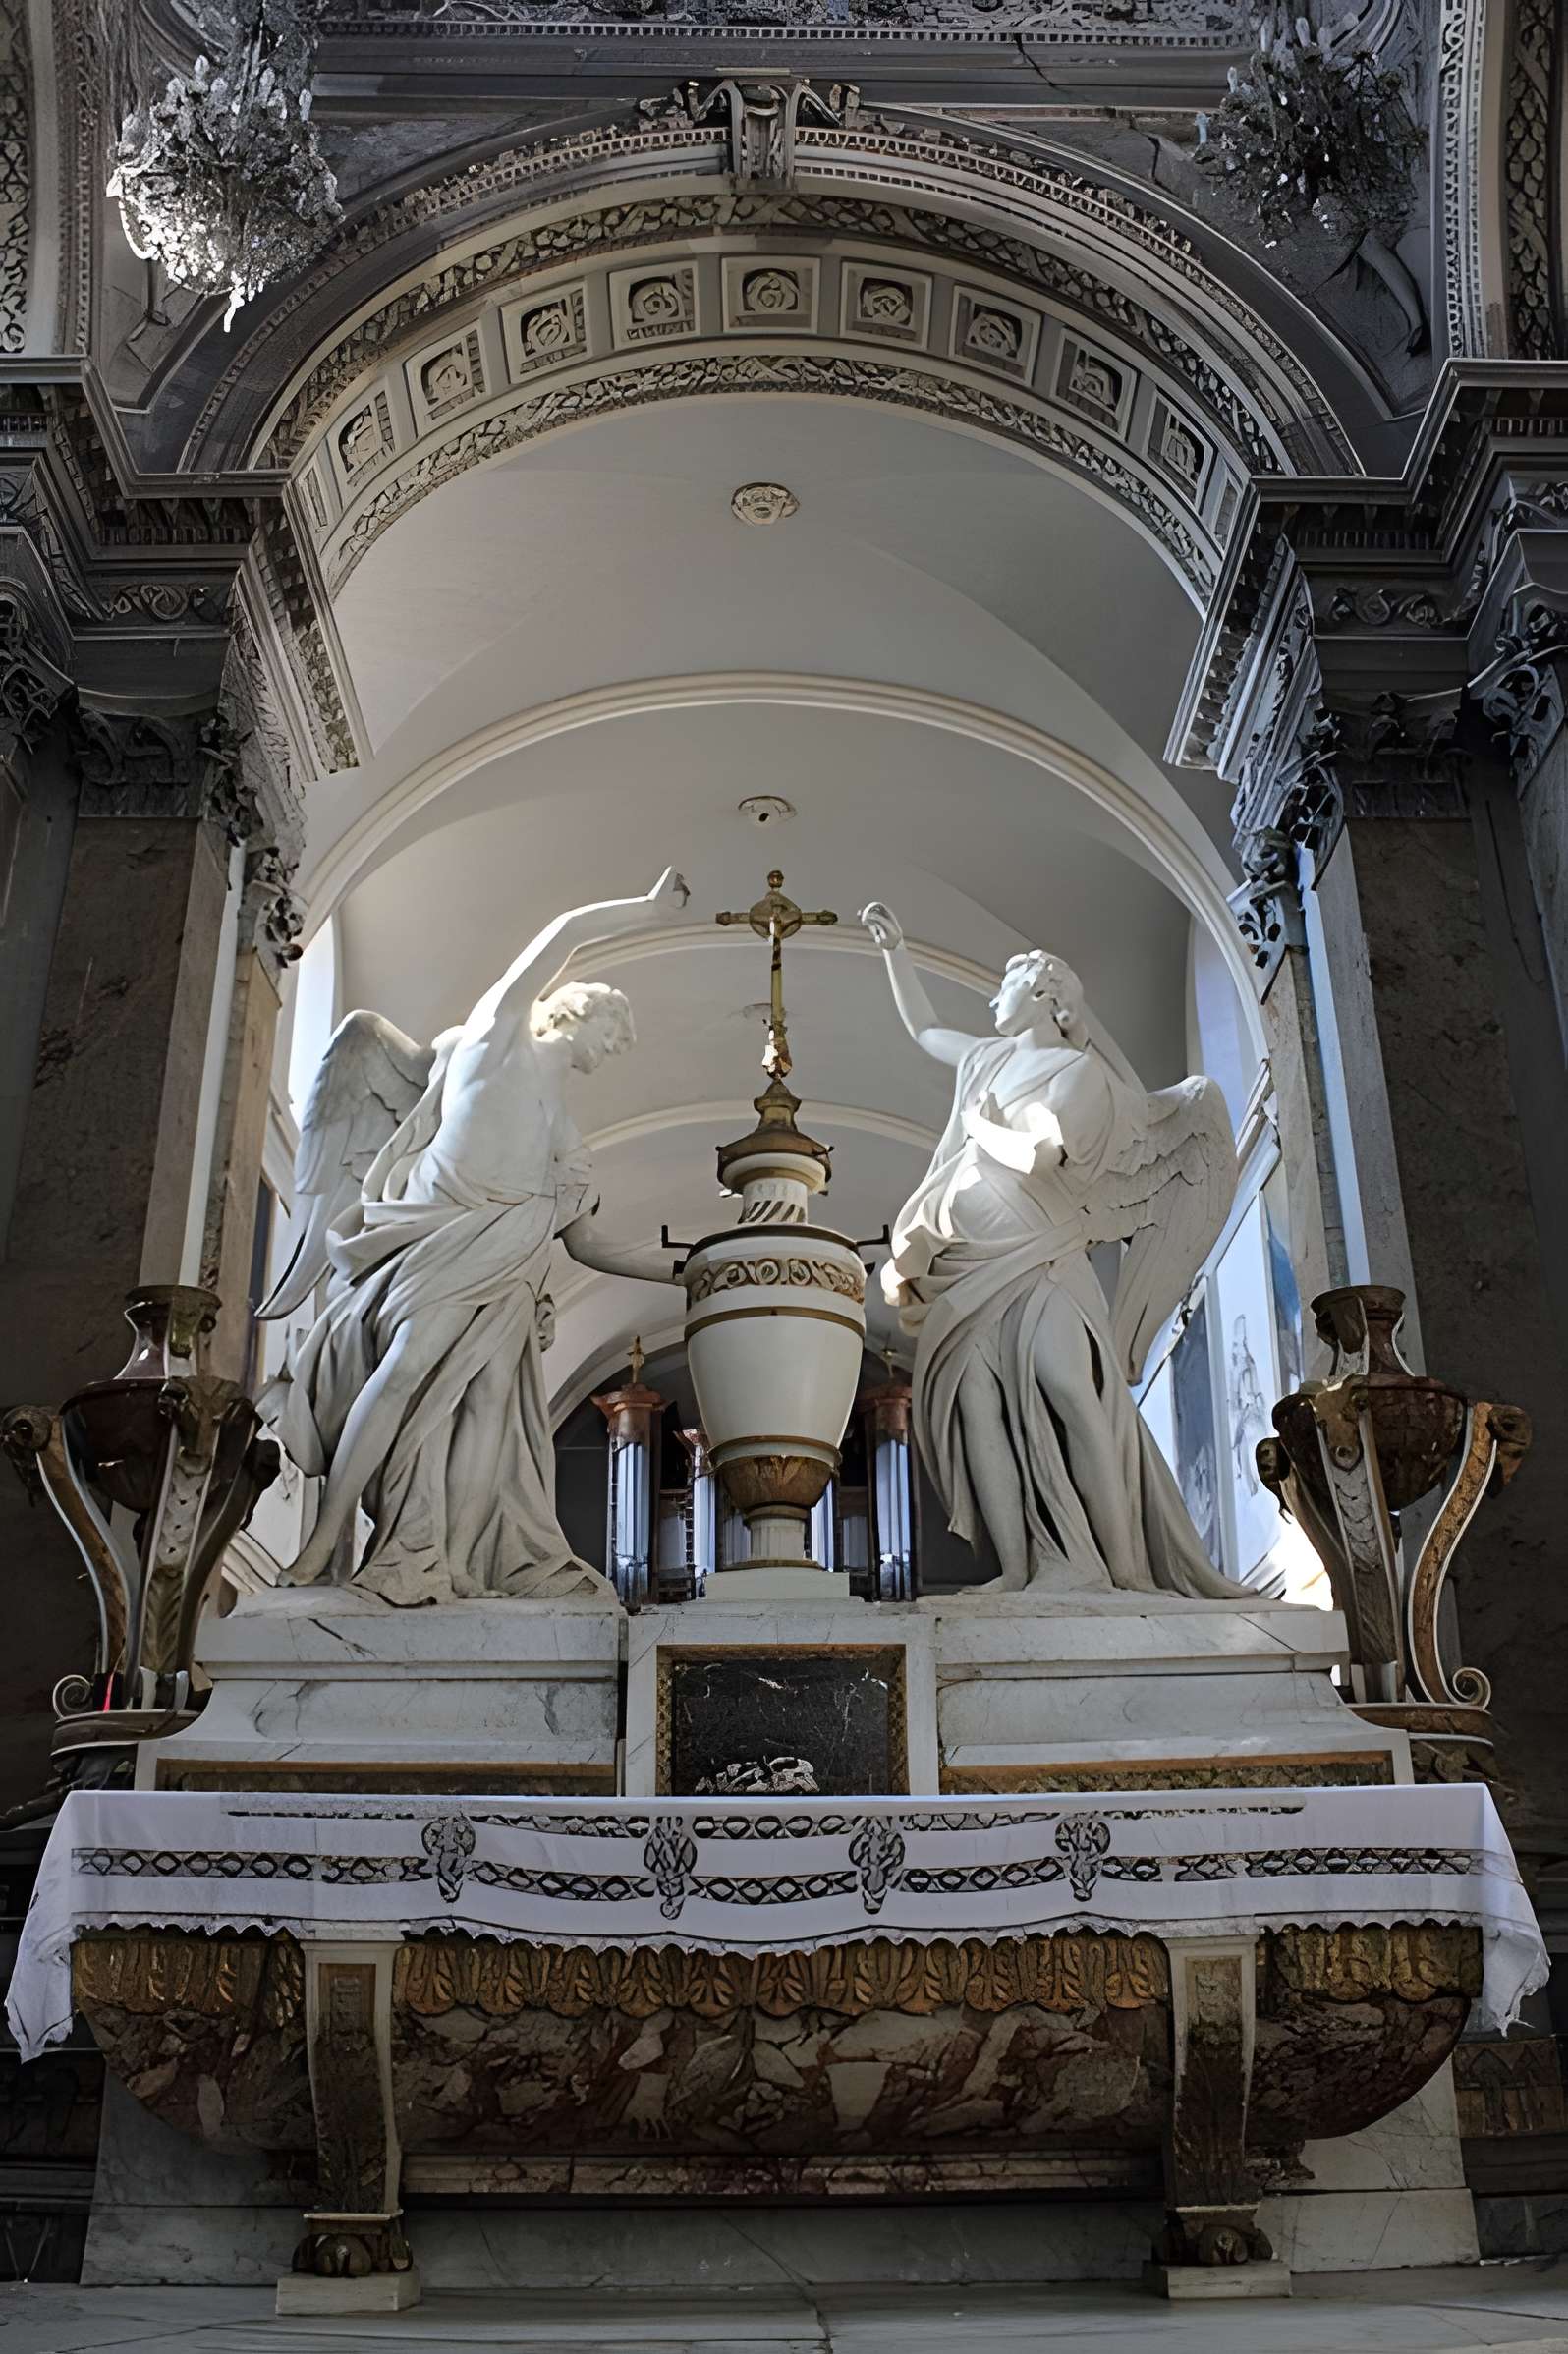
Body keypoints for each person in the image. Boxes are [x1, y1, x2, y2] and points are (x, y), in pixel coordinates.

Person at [268, 869, 688, 1603]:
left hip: (513, 1269)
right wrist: (645, 911)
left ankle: (457, 1564)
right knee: (402, 1371)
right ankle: (327, 1538)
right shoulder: (497, 1040)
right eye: (610, 1034)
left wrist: (686, 1272)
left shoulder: (568, 1135)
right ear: (574, 1015)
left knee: (491, 1405)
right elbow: (559, 935)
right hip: (448, 1242)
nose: (609, 1051)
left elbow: (586, 1245)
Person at [862, 900, 1251, 1598]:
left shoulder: (1079, 1075)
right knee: (978, 1405)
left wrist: (982, 1128)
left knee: (1071, 1391)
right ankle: (1016, 1569)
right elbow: (923, 1031)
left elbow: (1041, 1155)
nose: (991, 996)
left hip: (1039, 1254)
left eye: (1004, 985)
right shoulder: (985, 1060)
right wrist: (896, 951)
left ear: (1044, 996)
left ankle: (1123, 1569)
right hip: (965, 1263)